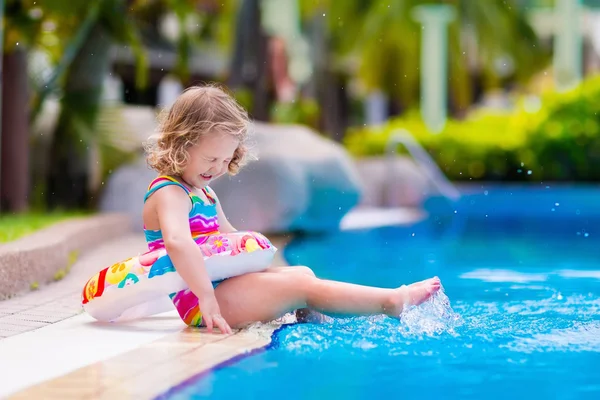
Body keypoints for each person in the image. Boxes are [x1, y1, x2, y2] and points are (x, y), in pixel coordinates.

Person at [142, 84, 441, 334]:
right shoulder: (170, 192)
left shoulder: (203, 194)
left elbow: (229, 238)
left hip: (222, 289)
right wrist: (206, 297)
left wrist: (267, 272)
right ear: (182, 144)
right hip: (201, 300)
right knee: (301, 287)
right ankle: (391, 301)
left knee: (303, 272)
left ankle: (324, 330)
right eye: (211, 159)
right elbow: (178, 242)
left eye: (225, 160)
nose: (219, 168)